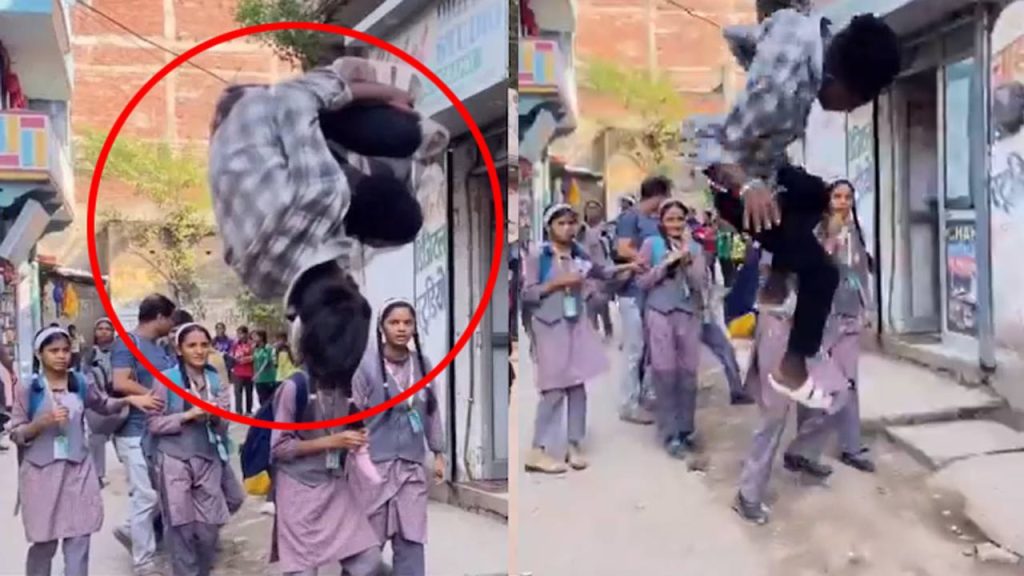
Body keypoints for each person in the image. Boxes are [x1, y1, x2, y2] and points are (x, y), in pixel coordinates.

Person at [701, 9, 900, 410]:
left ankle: (775, 282)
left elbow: (741, 32)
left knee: (817, 192)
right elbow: (713, 148)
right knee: (821, 275)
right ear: (840, 79)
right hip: (732, 187)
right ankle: (791, 370)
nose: (847, 111)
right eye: (855, 101)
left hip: (768, 173)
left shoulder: (802, 31)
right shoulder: (779, 90)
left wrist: (753, 54)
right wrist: (748, 186)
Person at [8, 326, 160, 576]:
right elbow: (16, 432)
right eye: (53, 350)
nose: (61, 356)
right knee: (44, 543)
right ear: (39, 354)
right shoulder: (29, 389)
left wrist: (129, 400)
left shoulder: (80, 382)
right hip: (40, 476)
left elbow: (103, 404)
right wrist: (39, 424)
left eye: (65, 350)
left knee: (79, 539)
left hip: (78, 472)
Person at [269, 291, 382, 575]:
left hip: (334, 485)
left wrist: (355, 441)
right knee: (303, 570)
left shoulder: (346, 387)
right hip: (298, 488)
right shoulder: (294, 387)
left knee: (367, 557)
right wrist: (332, 441)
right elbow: (280, 448)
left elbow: (351, 429)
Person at [522, 204, 639, 473]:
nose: (567, 228)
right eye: (561, 223)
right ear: (550, 226)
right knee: (553, 389)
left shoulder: (579, 253)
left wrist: (631, 266)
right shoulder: (538, 256)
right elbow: (528, 294)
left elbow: (603, 272)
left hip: (575, 324)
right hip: (548, 326)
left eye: (571, 223)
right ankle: (537, 449)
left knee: (577, 386)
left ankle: (573, 445)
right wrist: (557, 284)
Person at [733, 276, 852, 525]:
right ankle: (748, 494)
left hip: (803, 335)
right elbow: (769, 293)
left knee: (835, 395)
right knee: (773, 417)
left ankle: (801, 453)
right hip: (779, 331)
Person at [352, 299, 445, 576]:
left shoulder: (423, 364)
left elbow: (431, 411)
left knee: (412, 542)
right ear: (382, 327)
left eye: (407, 323)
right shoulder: (365, 366)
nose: (401, 328)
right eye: (394, 323)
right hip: (373, 470)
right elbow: (351, 416)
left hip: (411, 470)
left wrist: (438, 452)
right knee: (367, 549)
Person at [148, 322, 242, 576]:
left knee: (208, 530)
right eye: (192, 346)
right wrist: (186, 416)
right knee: (181, 528)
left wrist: (215, 417)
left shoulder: (215, 379)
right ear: (179, 349)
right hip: (174, 459)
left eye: (203, 345)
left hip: (208, 457)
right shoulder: (166, 380)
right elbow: (154, 424)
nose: (199, 351)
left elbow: (224, 424)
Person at [803, 180, 875, 473]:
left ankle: (851, 446)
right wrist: (831, 241)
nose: (843, 202)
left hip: (849, 314)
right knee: (818, 386)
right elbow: (812, 268)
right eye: (837, 197)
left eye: (848, 197)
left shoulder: (856, 231)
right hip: (822, 317)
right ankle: (806, 450)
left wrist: (866, 306)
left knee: (850, 383)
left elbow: (860, 273)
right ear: (828, 200)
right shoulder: (817, 231)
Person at [110, 294, 178, 576]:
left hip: (155, 431)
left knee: (160, 493)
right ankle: (144, 563)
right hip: (133, 431)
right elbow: (120, 381)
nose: (172, 324)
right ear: (160, 317)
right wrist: (151, 395)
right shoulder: (128, 344)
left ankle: (129, 529)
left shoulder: (159, 348)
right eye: (170, 318)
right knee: (146, 496)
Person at [635, 199, 707, 458]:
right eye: (670, 219)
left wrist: (688, 259)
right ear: (662, 223)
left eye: (680, 219)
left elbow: (700, 284)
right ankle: (669, 433)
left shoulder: (696, 248)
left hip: (688, 314)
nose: (675, 224)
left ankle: (686, 429)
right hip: (659, 312)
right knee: (665, 373)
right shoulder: (651, 245)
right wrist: (665, 265)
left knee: (688, 374)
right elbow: (641, 281)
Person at [614, 176, 672, 425]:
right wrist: (648, 260)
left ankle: (646, 395)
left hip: (649, 293)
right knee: (634, 350)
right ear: (658, 195)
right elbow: (622, 248)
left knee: (648, 350)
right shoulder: (631, 217)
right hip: (631, 292)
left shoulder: (652, 221)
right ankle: (628, 403)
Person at [84, 318, 117, 486]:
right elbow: (84, 376)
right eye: (100, 328)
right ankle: (97, 475)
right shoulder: (90, 353)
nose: (103, 331)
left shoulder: (120, 352)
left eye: (107, 329)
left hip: (120, 399)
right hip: (97, 401)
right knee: (96, 439)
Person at [579, 200, 614, 340]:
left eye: (595, 208)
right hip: (586, 270)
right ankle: (593, 331)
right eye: (589, 208)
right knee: (590, 302)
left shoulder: (605, 229)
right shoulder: (582, 229)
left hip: (602, 270)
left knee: (602, 301)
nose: (592, 211)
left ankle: (607, 327)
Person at [230, 327, 255, 416]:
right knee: (237, 392)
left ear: (246, 334)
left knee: (249, 392)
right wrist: (235, 359)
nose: (240, 336)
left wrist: (245, 359)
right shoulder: (235, 344)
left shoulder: (251, 344)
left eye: (241, 333)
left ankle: (248, 410)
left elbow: (254, 356)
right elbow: (232, 355)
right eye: (238, 334)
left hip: (249, 372)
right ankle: (238, 411)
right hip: (238, 372)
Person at [252, 330, 277, 409]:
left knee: (269, 400)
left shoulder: (268, 348)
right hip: (259, 380)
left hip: (268, 378)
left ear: (261, 337)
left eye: (255, 336)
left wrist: (258, 373)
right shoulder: (255, 349)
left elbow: (266, 362)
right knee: (261, 399)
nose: (253, 338)